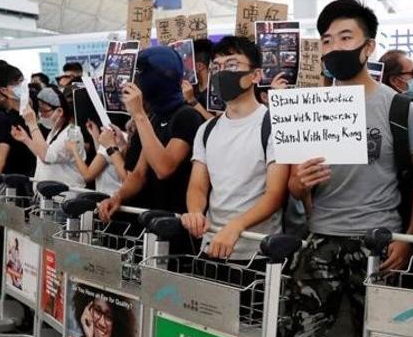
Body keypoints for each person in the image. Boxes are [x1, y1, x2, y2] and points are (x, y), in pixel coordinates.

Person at [268, 0, 413, 337]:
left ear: (368, 46)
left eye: (345, 38)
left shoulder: (401, 109)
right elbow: (294, 190)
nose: (335, 47)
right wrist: (300, 182)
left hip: (378, 243)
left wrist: (409, 239)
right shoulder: (309, 107)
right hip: (319, 242)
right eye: (327, 40)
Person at [178, 36, 289, 260]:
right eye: (216, 67)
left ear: (256, 75)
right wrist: (195, 213)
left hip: (257, 254)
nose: (222, 73)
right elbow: (198, 186)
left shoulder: (276, 124)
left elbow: (275, 194)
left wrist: (236, 226)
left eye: (232, 65)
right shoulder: (207, 129)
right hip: (211, 247)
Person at [97, 46, 204, 221]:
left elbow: (164, 168)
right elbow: (139, 173)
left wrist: (139, 115)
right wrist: (118, 196)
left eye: (137, 78)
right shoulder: (154, 117)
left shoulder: (187, 116)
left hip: (174, 220)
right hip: (149, 218)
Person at [10, 86, 84, 188]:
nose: (41, 115)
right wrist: (26, 139)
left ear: (59, 111)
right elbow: (42, 153)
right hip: (50, 193)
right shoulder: (55, 130)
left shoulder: (73, 131)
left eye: (44, 111)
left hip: (66, 193)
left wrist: (32, 123)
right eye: (39, 111)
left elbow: (47, 157)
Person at [0, 60, 38, 177]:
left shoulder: (38, 103)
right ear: (3, 90)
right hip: (20, 177)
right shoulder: (9, 119)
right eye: (16, 84)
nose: (21, 86)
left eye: (22, 81)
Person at [71, 121, 129, 194]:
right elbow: (106, 158)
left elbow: (87, 176)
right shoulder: (125, 138)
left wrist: (74, 150)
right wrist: (95, 137)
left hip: (109, 196)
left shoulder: (112, 139)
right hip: (121, 195)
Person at [182, 38, 216, 121]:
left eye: (187, 62)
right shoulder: (190, 87)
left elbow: (218, 124)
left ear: (199, 66)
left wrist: (192, 101)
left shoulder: (217, 91)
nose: (184, 67)